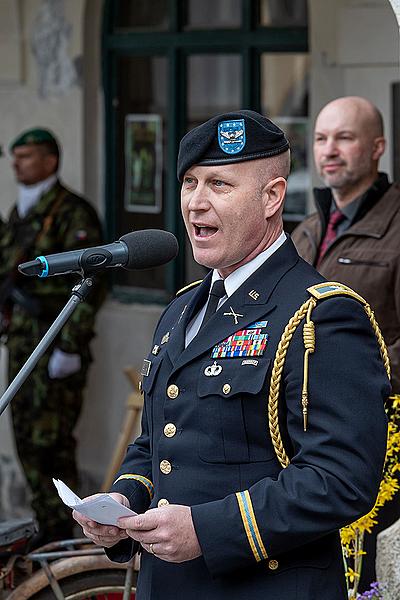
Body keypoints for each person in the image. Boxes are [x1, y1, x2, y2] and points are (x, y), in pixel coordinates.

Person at [73, 110, 390, 599]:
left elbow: (341, 478)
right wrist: (124, 497)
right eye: (190, 183)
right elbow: (158, 441)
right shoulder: (183, 308)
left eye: (219, 185)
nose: (196, 203)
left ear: (272, 197)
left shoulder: (321, 315)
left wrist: (208, 528)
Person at [291, 96, 400, 589]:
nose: (329, 150)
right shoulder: (307, 231)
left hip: (380, 438)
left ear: (377, 148)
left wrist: (356, 387)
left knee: (365, 573)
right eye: (320, 138)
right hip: (305, 436)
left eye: (344, 137)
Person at [0, 128, 105, 544]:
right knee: (25, 437)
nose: (16, 164)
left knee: (52, 445)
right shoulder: (22, 211)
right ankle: (47, 525)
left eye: (26, 156)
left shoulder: (72, 213)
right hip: (23, 345)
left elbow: (93, 283)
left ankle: (67, 534)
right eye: (14, 155)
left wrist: (71, 345)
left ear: (50, 160)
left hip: (54, 344)